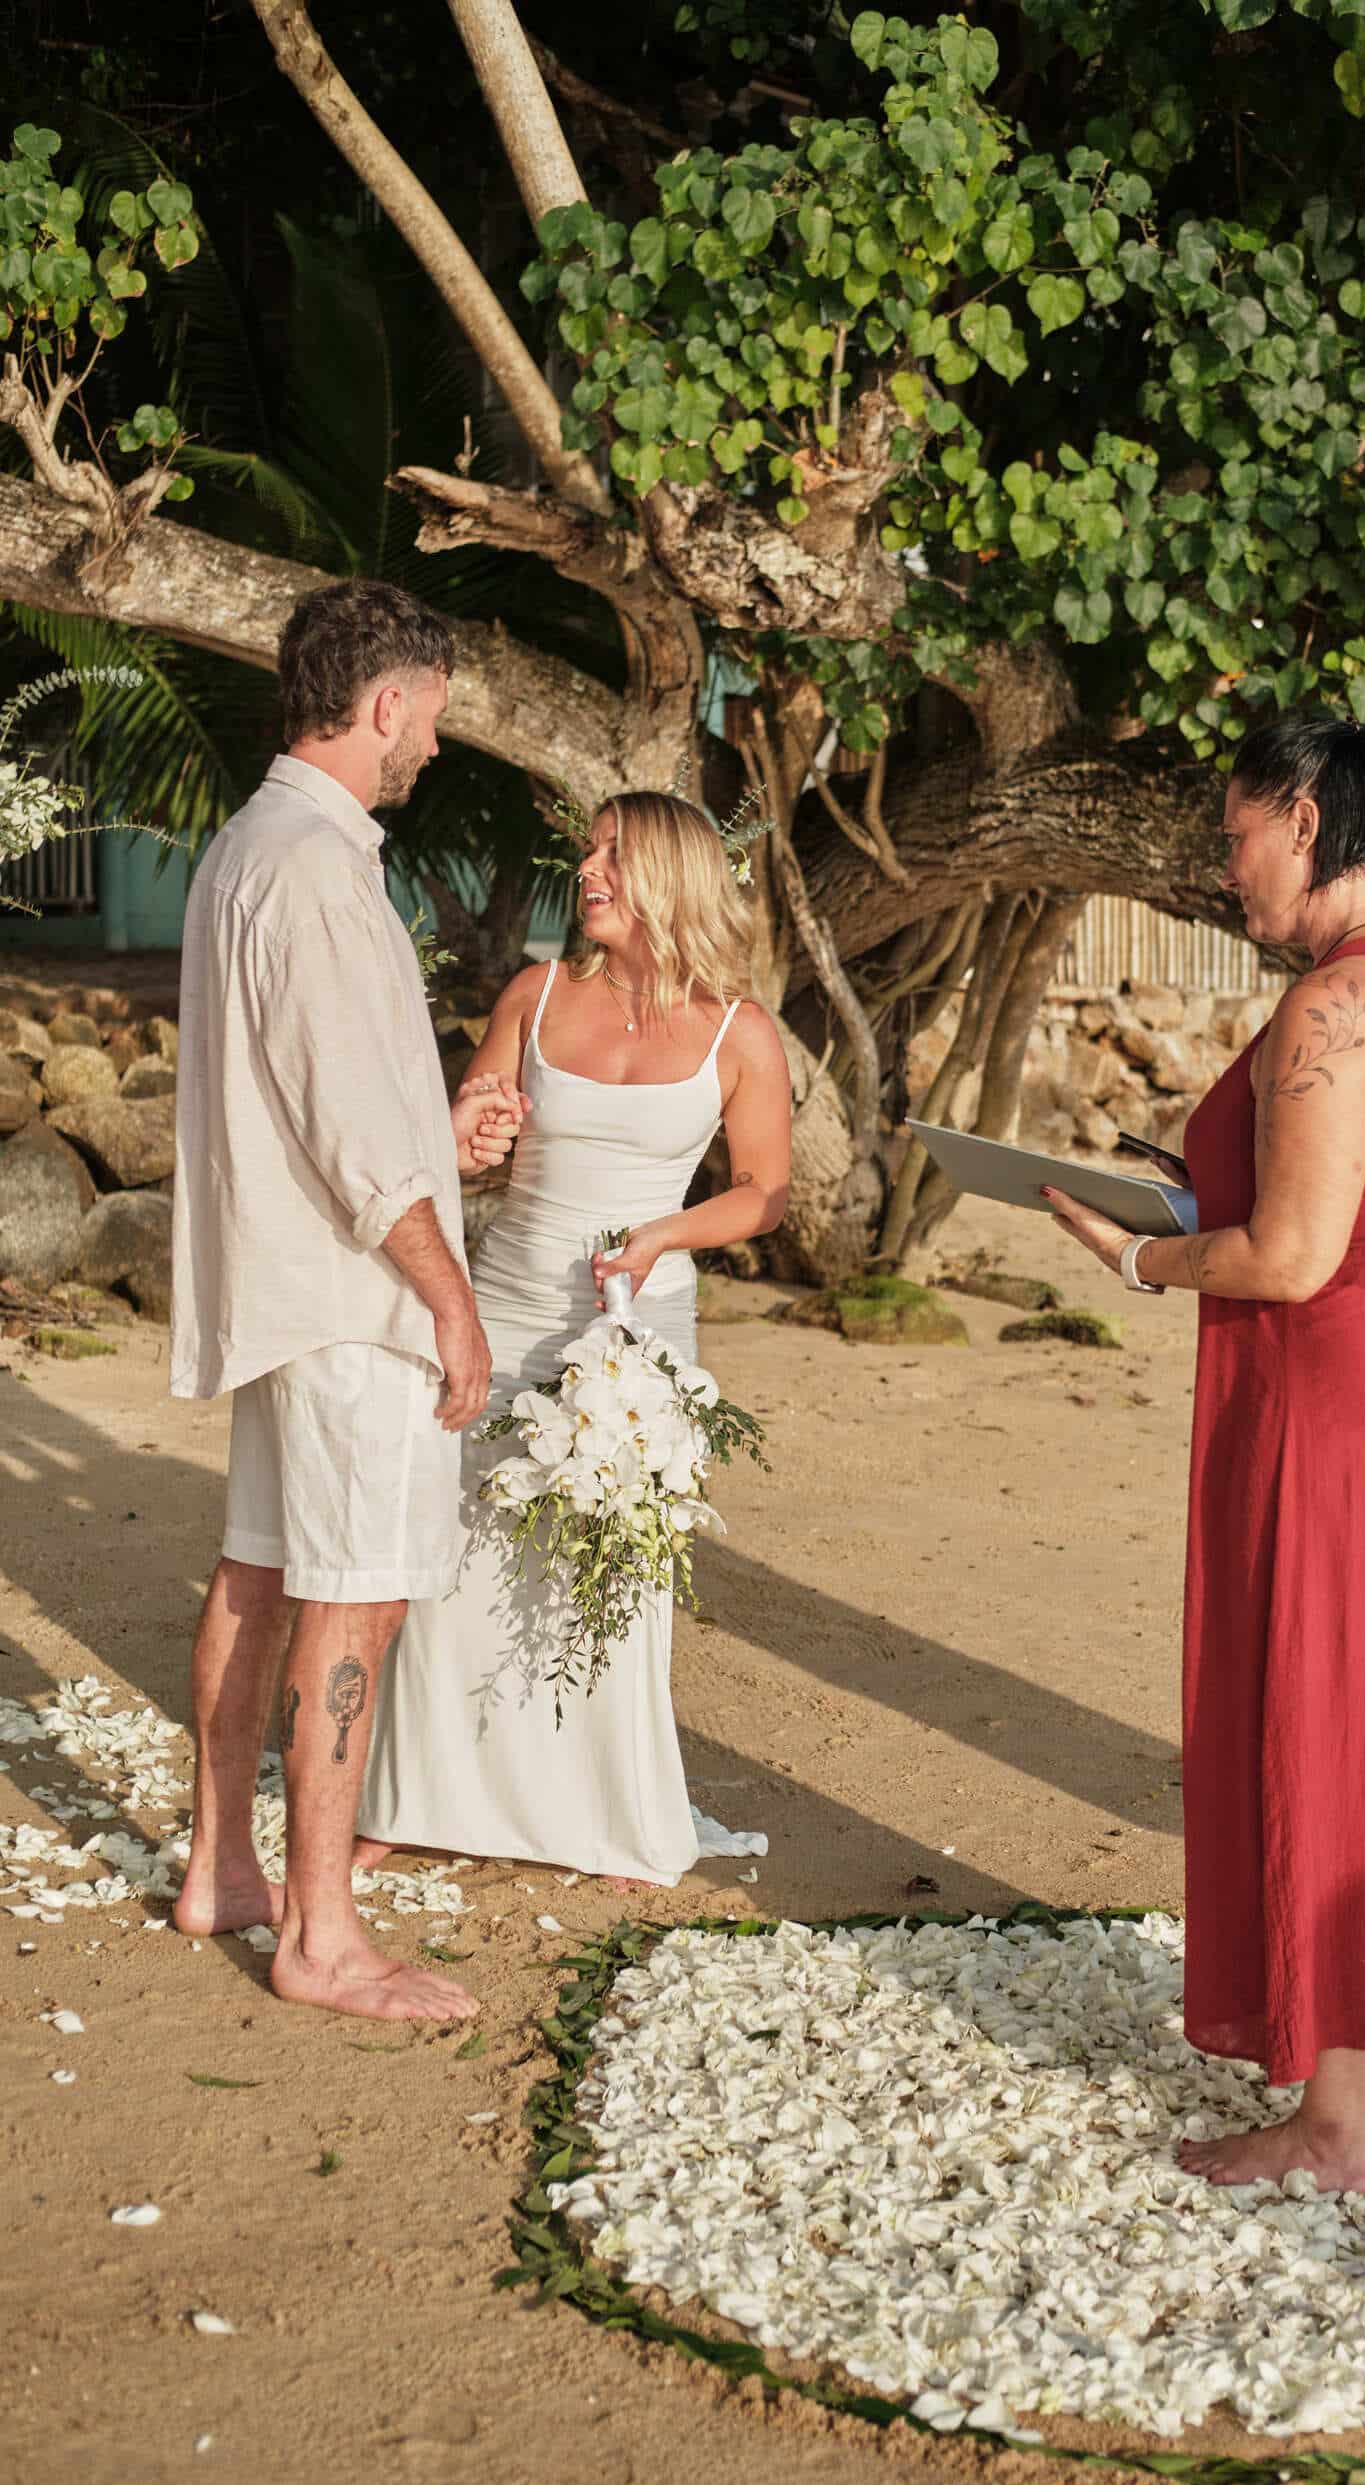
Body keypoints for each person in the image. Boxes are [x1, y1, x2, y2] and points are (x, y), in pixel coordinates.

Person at [1048, 711, 1365, 2194]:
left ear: (1305, 821)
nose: (1224, 860)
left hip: (1347, 1416)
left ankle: (1335, 2129)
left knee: (1347, 1728)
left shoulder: (1334, 1007)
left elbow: (1295, 1256)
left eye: (1235, 828)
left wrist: (1137, 1262)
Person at [170, 578, 527, 2022]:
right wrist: (447, 1293)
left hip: (292, 1289)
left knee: (262, 1571)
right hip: (354, 1306)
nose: (430, 748)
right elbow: (341, 1130)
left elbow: (319, 1102)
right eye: (430, 719)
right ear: (385, 704)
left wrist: (442, 1136)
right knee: (353, 1603)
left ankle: (221, 1867)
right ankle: (320, 1936)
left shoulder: (251, 852)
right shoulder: (315, 871)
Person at [356, 789, 791, 1884]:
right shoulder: (537, 993)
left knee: (608, 1565)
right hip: (504, 1306)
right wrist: (476, 1132)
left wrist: (664, 1235)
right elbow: (465, 1137)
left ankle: (589, 1801)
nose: (587, 871)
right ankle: (416, 1796)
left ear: (672, 879)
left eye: (611, 855)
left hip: (638, 1330)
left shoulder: (743, 1032)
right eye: (589, 852)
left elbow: (764, 1193)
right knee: (460, 1554)